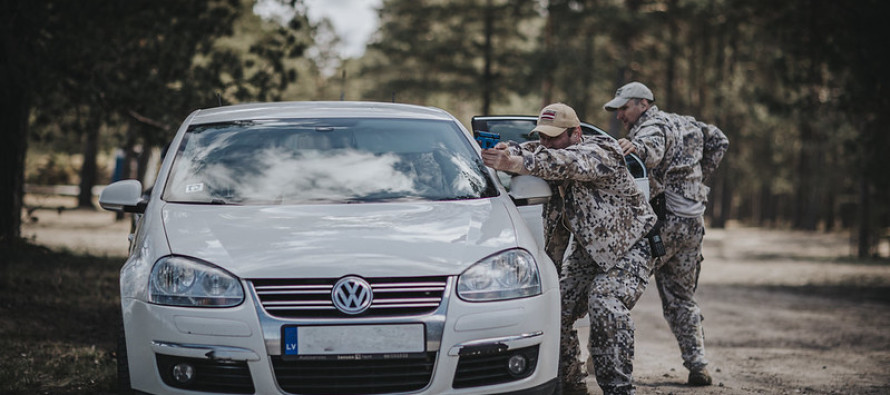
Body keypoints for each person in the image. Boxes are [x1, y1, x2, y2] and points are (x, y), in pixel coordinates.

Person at [482, 103, 658, 395]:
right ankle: (572, 386)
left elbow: (564, 163)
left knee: (605, 303)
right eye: (543, 137)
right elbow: (529, 148)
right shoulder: (548, 147)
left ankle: (618, 390)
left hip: (631, 246)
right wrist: (504, 149)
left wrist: (512, 163)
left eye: (554, 137)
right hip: (589, 250)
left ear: (576, 133)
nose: (547, 143)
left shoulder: (602, 151)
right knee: (554, 311)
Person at [603, 81, 729, 386]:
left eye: (624, 107)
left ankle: (605, 355)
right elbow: (720, 140)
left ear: (643, 104)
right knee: (681, 297)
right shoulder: (686, 122)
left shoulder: (653, 125)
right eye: (617, 108)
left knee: (616, 286)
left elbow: (652, 148)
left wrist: (640, 149)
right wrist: (695, 178)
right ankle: (698, 364)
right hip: (693, 223)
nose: (620, 114)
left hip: (665, 224)